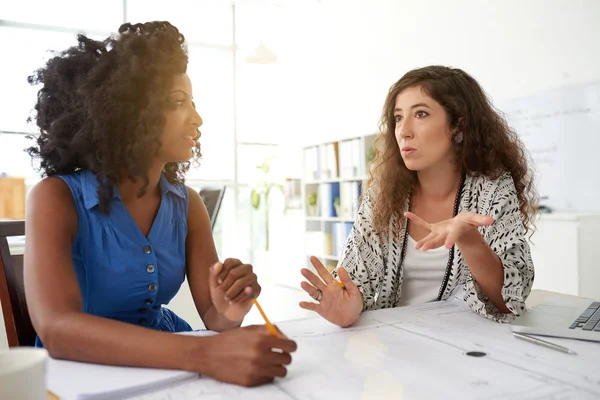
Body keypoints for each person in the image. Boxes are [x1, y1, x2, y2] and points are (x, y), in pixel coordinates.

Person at [24, 21, 296, 387]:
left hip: (170, 363)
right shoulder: (56, 197)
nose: (197, 118)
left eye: (193, 103)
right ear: (130, 114)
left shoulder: (187, 204)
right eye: (178, 102)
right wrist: (205, 355)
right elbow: (57, 329)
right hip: (78, 374)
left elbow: (216, 318)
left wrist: (231, 306)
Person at [299, 65, 537, 327]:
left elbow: (510, 300)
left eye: (421, 114)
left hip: (469, 349)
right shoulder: (383, 193)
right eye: (398, 118)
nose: (403, 131)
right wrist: (349, 306)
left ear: (459, 125)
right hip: (395, 344)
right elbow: (355, 279)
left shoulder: (493, 189)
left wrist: (468, 238)